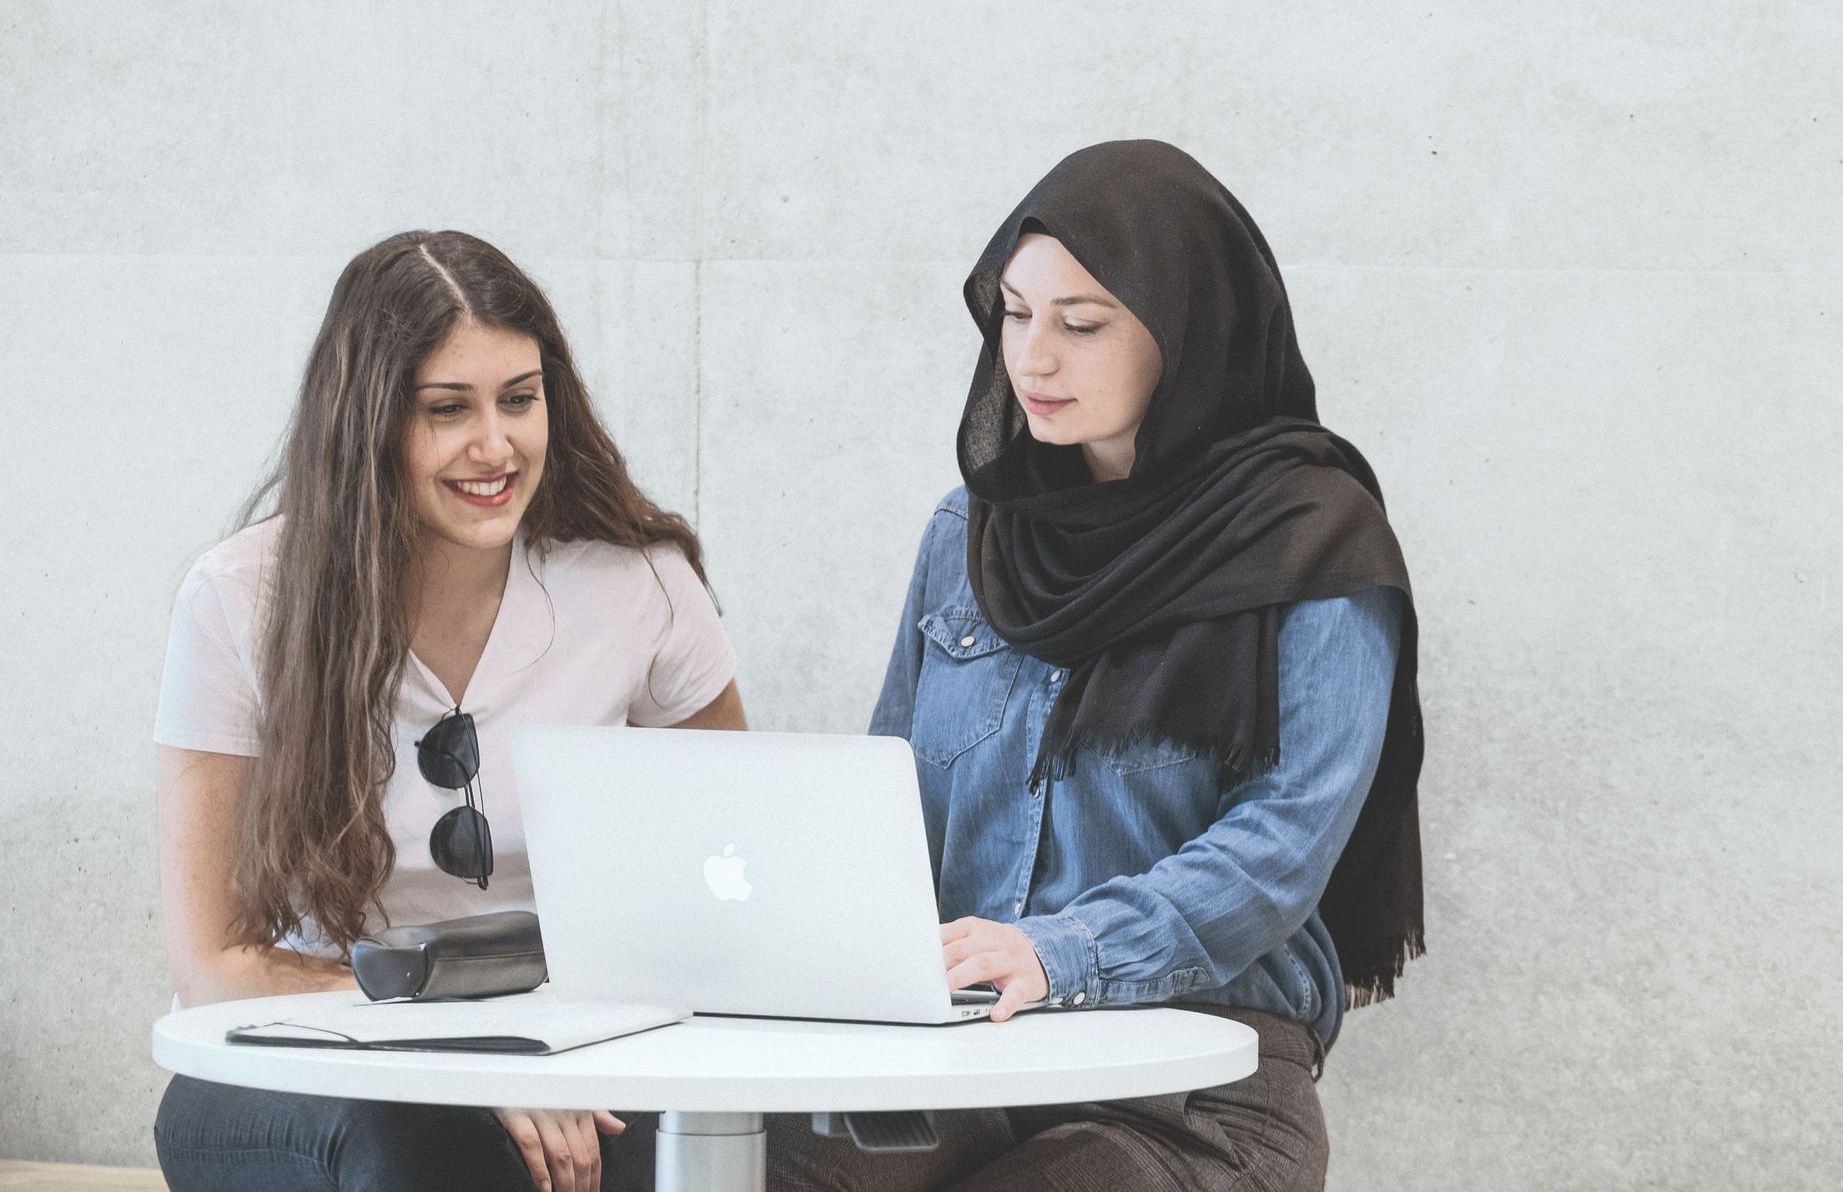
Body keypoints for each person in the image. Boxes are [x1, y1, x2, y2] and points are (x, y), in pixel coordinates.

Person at [765, 140, 1424, 1191]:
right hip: (964, 1059)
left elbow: (1282, 842)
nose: (1033, 359)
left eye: (1081, 324)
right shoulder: (968, 535)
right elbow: (884, 797)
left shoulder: (1312, 547)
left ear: (1186, 330)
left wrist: (1059, 952)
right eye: (1016, 315)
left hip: (1198, 1091)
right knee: (732, 1166)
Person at [151, 231, 744, 1192]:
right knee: (421, 1151)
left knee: (735, 1146)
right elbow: (213, 964)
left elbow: (740, 866)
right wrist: (461, 1048)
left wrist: (551, 1040)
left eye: (519, 398)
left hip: (573, 1044)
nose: (495, 445)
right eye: (446, 410)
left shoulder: (639, 583)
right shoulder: (238, 598)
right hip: (308, 1058)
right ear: (368, 423)